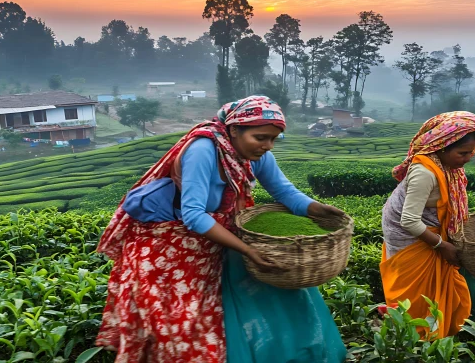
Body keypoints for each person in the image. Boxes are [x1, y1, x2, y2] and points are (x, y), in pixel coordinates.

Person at [95, 95, 347, 363]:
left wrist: (317, 209)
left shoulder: (254, 154)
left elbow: (284, 191)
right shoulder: (203, 150)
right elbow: (193, 214)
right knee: (186, 324)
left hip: (221, 235)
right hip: (175, 244)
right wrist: (246, 249)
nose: (267, 146)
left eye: (273, 139)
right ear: (235, 130)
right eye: (260, 137)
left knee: (269, 300)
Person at [379, 111, 475, 339]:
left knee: (437, 300)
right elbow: (408, 220)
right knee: (418, 305)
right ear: (442, 146)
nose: (468, 158)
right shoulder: (425, 172)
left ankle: (437, 340)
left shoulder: (448, 169)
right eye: (462, 153)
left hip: (426, 235)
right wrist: (442, 245)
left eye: (472, 153)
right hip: (412, 241)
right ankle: (418, 344)